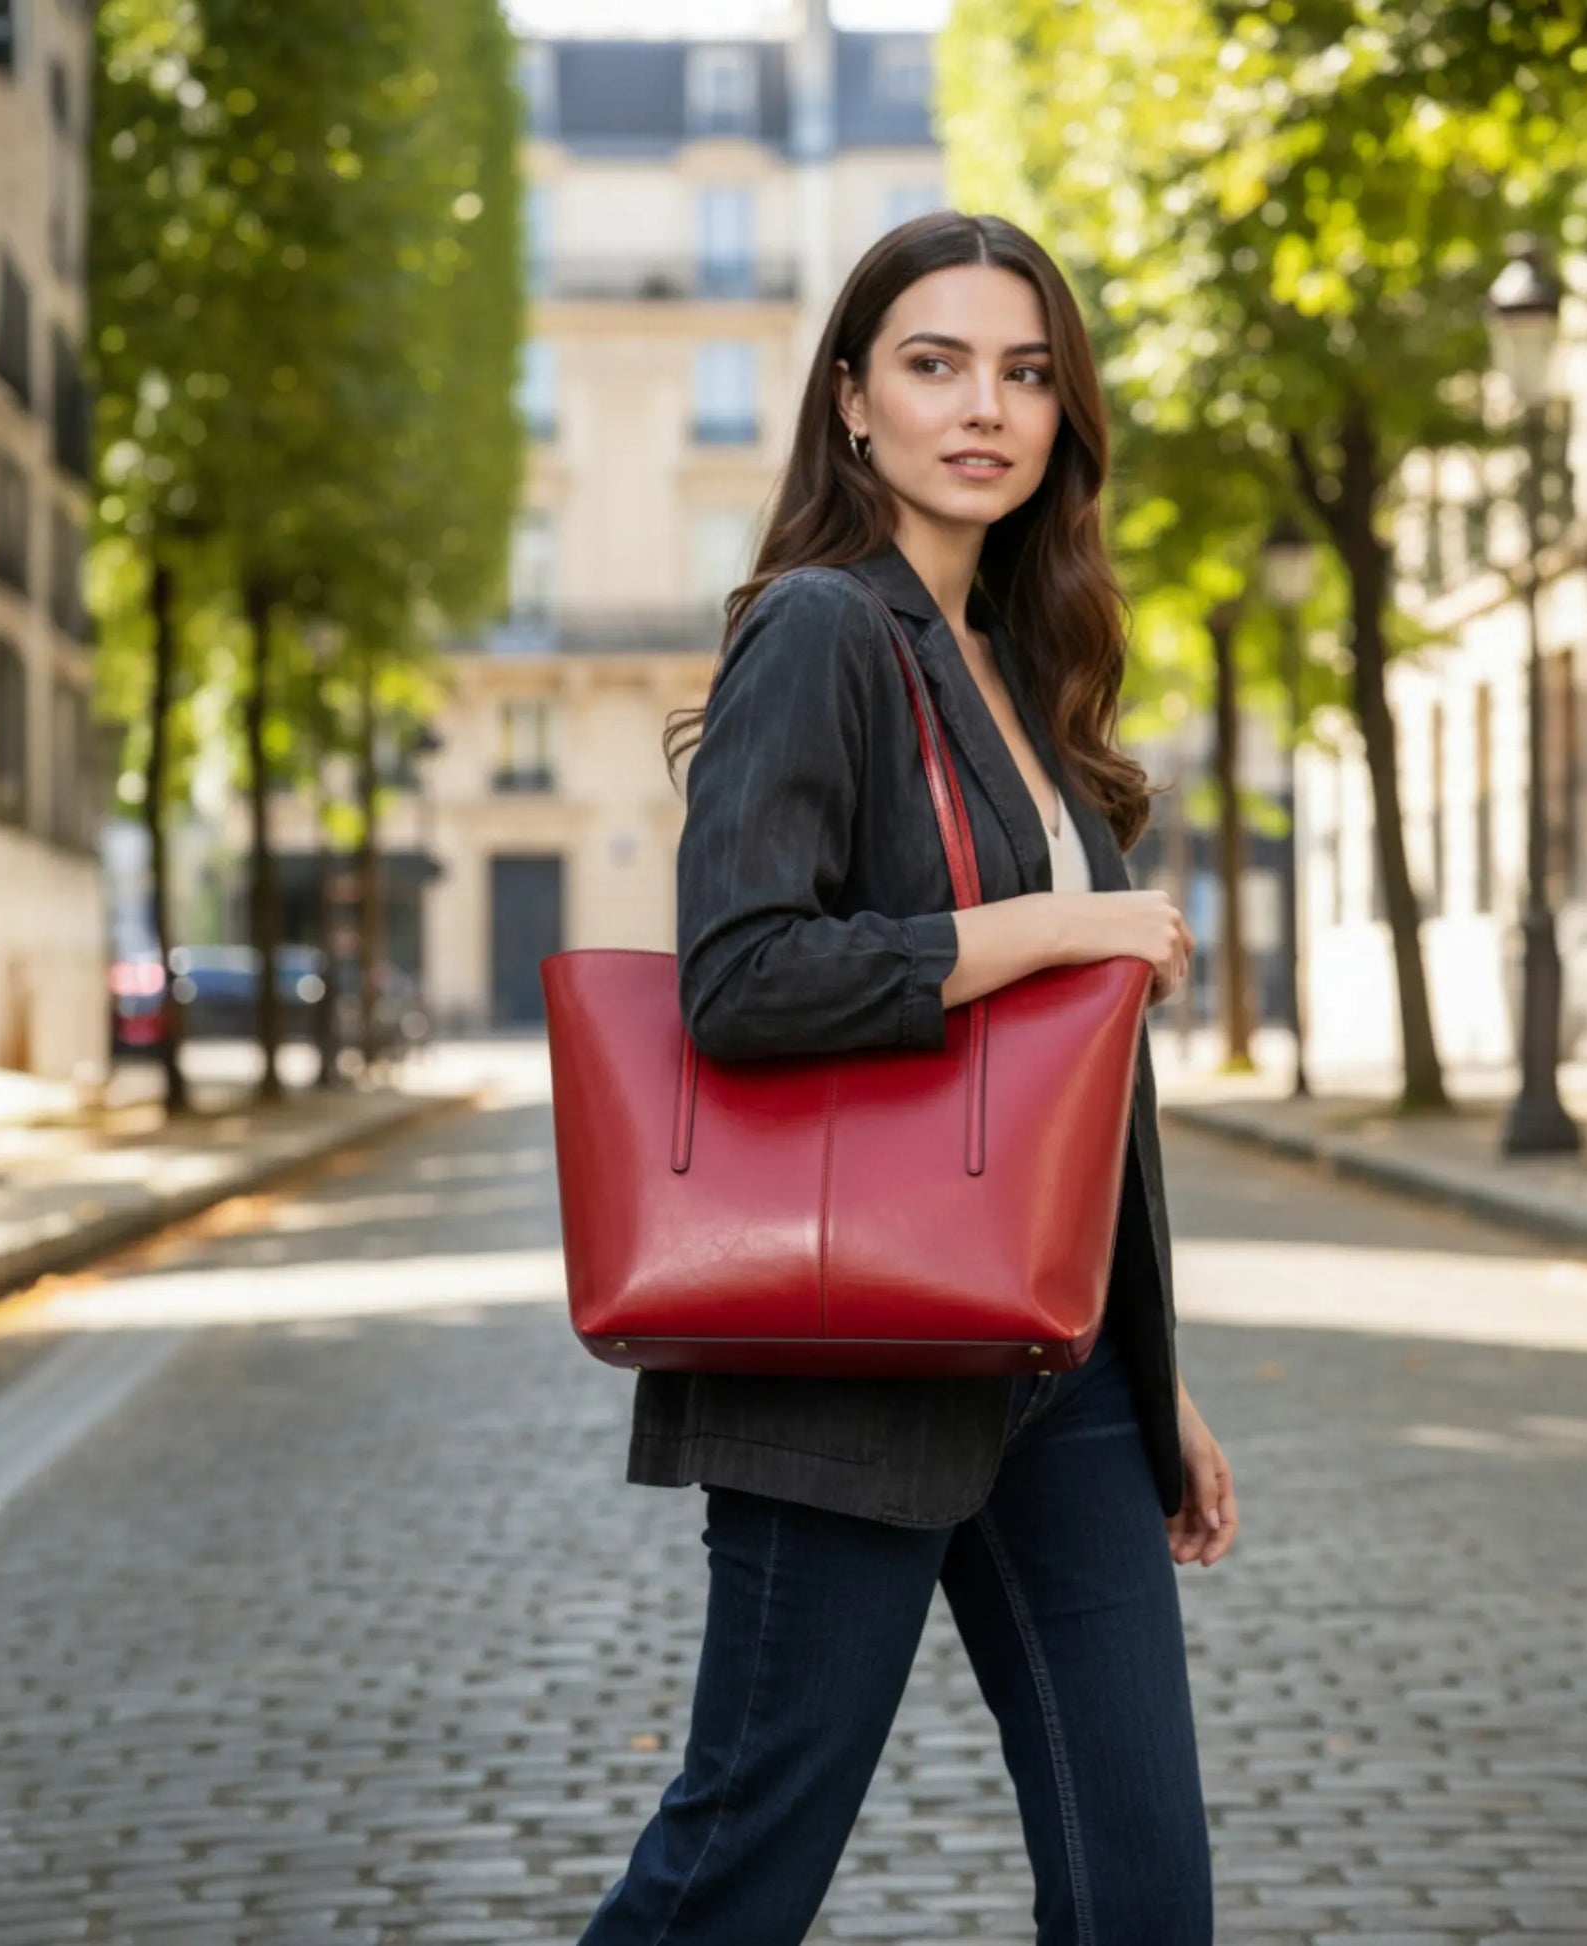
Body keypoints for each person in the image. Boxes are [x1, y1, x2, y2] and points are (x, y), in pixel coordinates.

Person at [578, 210, 1239, 1945]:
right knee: (738, 1867)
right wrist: (1039, 928)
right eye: (934, 364)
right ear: (852, 402)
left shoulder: (1025, 674)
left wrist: (1145, 1368)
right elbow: (739, 977)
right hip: (848, 1354)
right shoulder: (815, 628)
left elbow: (1071, 1096)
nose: (984, 407)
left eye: (1025, 372)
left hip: (1056, 1364)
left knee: (1144, 1894)